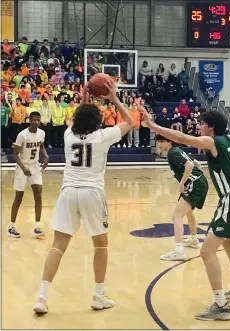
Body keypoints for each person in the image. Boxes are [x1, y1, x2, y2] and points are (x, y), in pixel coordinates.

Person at [140, 107, 230, 321]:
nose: (199, 127)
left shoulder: (212, 142)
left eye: (202, 124)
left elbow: (183, 137)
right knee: (226, 239)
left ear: (210, 128)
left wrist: (153, 125)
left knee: (207, 251)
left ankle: (220, 305)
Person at [33, 81, 133, 314]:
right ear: (98, 122)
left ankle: (41, 297)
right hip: (92, 192)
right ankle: (98, 296)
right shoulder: (104, 135)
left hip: (68, 192)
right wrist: (114, 99)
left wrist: (85, 96)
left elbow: (76, 119)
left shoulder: (68, 135)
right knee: (100, 245)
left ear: (76, 119)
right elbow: (129, 122)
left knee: (58, 246)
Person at [155, 135, 208, 261]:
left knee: (176, 215)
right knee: (188, 212)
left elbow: (189, 165)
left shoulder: (173, 152)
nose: (159, 144)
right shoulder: (177, 150)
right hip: (198, 182)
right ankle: (194, 239)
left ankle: (179, 251)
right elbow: (196, 163)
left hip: (194, 184)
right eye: (158, 142)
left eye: (163, 141)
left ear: (170, 142)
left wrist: (182, 183)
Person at [8, 111, 49, 238]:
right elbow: (15, 154)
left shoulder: (42, 133)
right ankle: (11, 226)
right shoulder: (22, 135)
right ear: (29, 120)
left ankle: (37, 226)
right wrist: (23, 167)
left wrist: (45, 156)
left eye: (38, 120)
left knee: (38, 194)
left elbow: (41, 147)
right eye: (34, 120)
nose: (36, 122)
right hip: (23, 166)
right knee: (19, 197)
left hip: (35, 166)